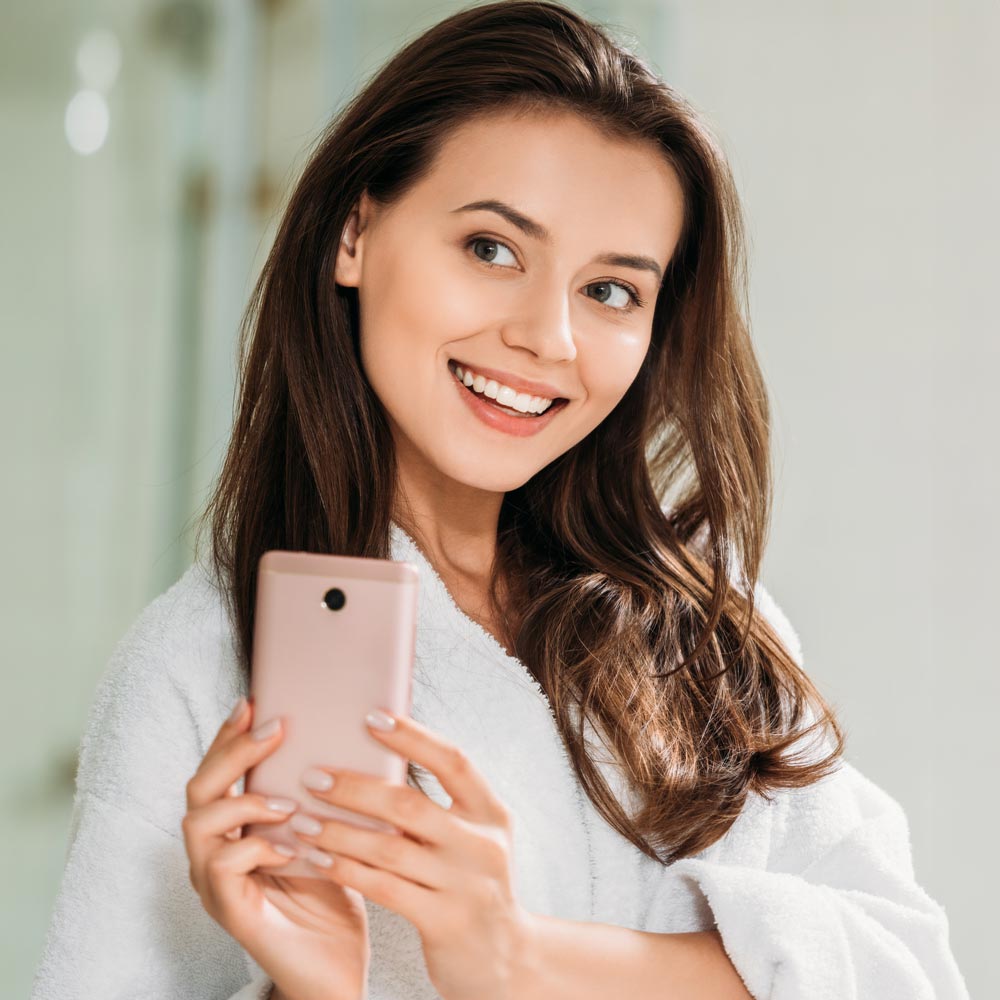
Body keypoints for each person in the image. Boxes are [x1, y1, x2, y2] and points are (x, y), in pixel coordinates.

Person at [31, 2, 970, 998]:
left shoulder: (704, 623)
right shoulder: (202, 669)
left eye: (611, 291)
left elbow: (904, 968)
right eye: (491, 248)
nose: (548, 338)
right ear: (355, 232)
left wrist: (517, 956)